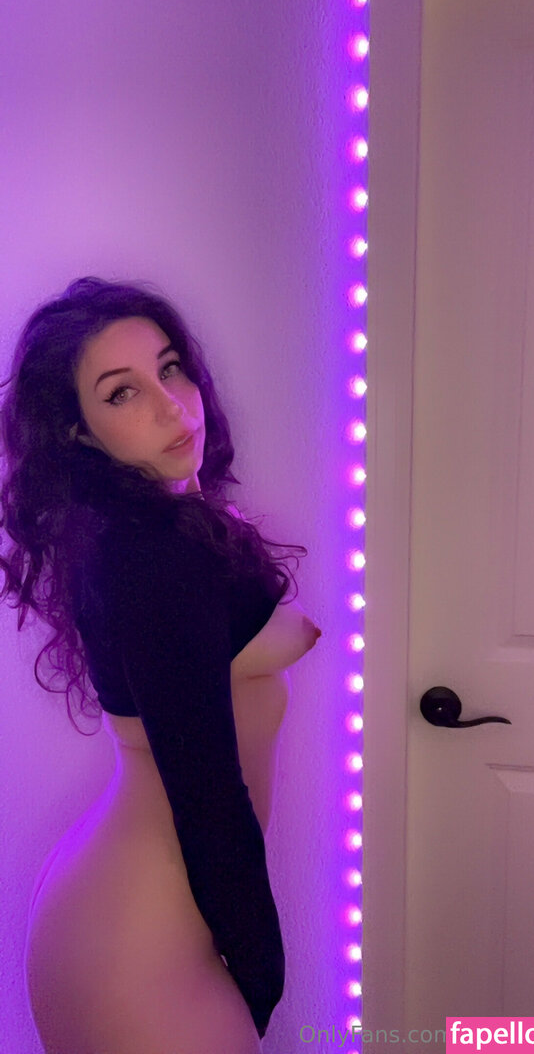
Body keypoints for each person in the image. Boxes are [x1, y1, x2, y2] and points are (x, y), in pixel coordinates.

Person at [0, 276, 321, 1054]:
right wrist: (261, 972)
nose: (173, 406)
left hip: (131, 908)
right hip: (140, 940)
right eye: (122, 393)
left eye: (170, 368)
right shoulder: (155, 554)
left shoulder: (153, 526)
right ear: (77, 432)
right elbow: (207, 795)